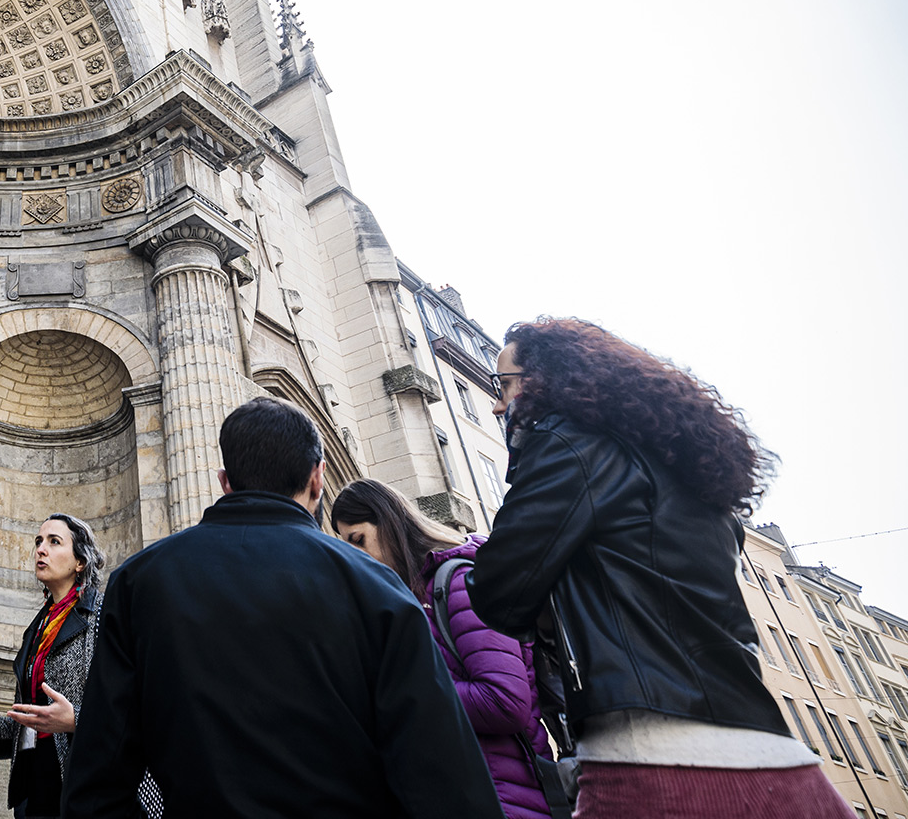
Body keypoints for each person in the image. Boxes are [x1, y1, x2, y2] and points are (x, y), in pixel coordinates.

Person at [469, 318, 853, 818]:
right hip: (785, 763)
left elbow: (497, 590)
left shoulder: (568, 443)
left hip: (658, 764)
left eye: (503, 385)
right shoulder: (696, 486)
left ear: (545, 381)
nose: (498, 404)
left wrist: (522, 454)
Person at [62, 396, 503, 819]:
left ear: (225, 481)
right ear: (318, 479)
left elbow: (101, 766)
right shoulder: (375, 585)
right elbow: (442, 774)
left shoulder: (139, 581)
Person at [331, 478, 554, 819]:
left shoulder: (460, 582)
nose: (356, 558)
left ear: (388, 522)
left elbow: (505, 701)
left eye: (358, 540)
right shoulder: (417, 600)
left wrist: (398, 691)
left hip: (506, 801)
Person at [0, 514, 160, 819]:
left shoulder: (104, 614)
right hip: (39, 790)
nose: (41, 549)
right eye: (39, 541)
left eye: (54, 542)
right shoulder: (38, 629)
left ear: (80, 562)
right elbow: (33, 720)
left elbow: (136, 704)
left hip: (93, 789)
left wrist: (77, 720)